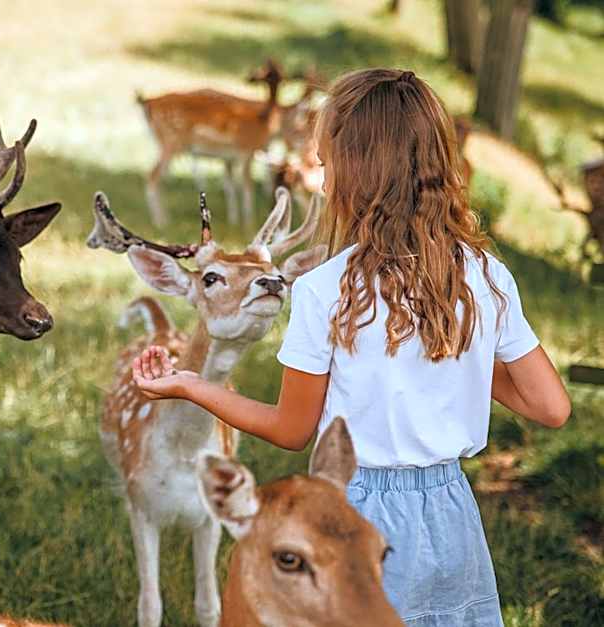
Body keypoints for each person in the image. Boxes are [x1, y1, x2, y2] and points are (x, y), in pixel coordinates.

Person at [130, 68, 571, 626]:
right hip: (452, 517)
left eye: (325, 162)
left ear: (355, 172)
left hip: (357, 520)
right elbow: (550, 407)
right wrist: (452, 342)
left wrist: (193, 386)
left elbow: (292, 431)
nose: (322, 177)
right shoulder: (485, 276)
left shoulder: (324, 290)